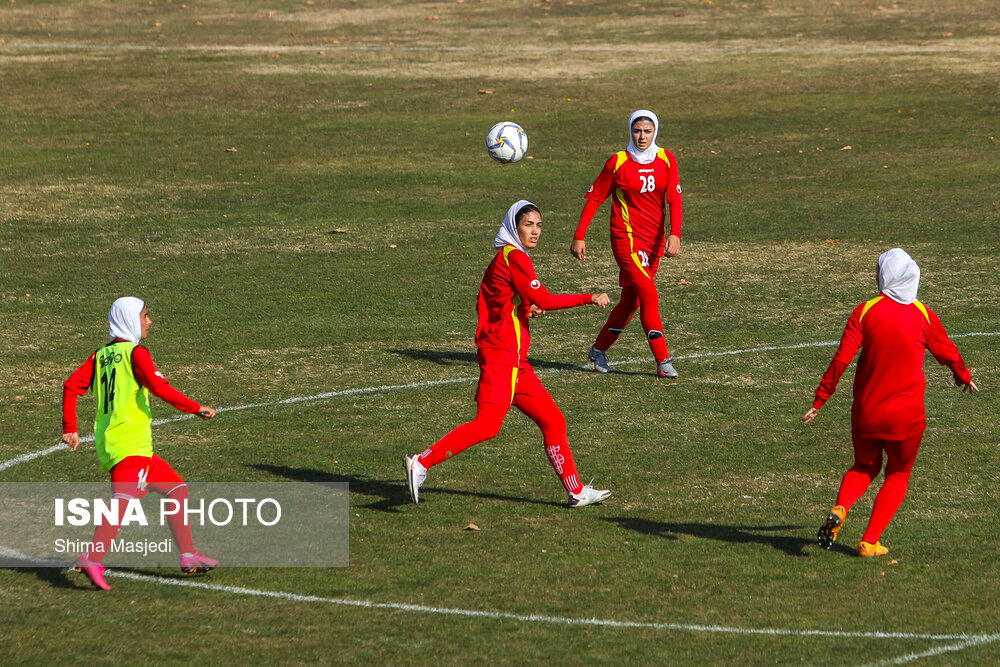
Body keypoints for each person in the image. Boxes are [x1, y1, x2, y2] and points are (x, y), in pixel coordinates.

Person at [405, 201, 613, 507]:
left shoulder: (508, 257)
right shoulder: (514, 256)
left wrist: (525, 306)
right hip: (501, 358)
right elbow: (542, 297)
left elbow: (502, 299)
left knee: (553, 420)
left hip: (516, 363)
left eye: (539, 225)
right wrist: (588, 297)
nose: (535, 231)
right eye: (528, 224)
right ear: (514, 226)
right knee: (487, 425)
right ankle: (421, 463)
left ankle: (576, 491)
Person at [803, 249, 977, 557]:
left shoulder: (865, 311)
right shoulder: (923, 314)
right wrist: (962, 375)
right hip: (906, 417)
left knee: (863, 466)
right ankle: (869, 541)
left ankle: (841, 509)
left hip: (867, 412)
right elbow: (948, 351)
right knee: (898, 474)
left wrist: (821, 399)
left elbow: (842, 359)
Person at [62, 297, 218, 590]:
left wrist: (70, 428)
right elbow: (159, 387)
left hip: (121, 443)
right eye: (145, 316)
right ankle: (92, 558)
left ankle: (188, 555)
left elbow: (71, 386)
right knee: (123, 502)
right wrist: (196, 407)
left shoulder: (100, 356)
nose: (149, 321)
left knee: (176, 489)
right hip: (129, 443)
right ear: (130, 319)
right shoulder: (136, 353)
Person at [571, 109, 684, 378]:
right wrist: (579, 235)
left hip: (654, 242)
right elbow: (596, 197)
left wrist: (675, 233)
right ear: (629, 132)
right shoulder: (618, 162)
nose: (642, 136)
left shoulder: (667, 159)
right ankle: (663, 361)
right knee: (648, 295)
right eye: (637, 131)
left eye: (647, 131)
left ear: (655, 131)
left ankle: (598, 351)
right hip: (626, 240)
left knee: (630, 302)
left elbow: (675, 199)